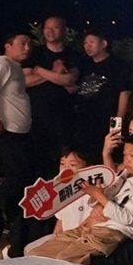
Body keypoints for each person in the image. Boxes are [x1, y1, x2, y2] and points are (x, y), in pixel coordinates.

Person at [25, 128, 133, 264]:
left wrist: (100, 197)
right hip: (92, 226)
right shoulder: (124, 174)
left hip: (113, 230)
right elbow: (101, 199)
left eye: (132, 156)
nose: (127, 160)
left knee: (66, 258)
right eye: (125, 155)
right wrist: (97, 198)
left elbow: (127, 218)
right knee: (37, 253)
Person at [0, 30, 35, 253]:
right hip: (6, 131)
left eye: (29, 44)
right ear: (8, 45)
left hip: (20, 132)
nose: (27, 47)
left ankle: (12, 224)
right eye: (22, 43)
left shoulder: (15, 67)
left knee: (22, 179)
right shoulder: (1, 64)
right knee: (17, 178)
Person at [23, 14, 80, 178]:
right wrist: (55, 74)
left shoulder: (72, 54)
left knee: (63, 158)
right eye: (47, 28)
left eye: (54, 28)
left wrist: (39, 70)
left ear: (64, 30)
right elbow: (25, 81)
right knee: (39, 159)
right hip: (37, 116)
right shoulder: (35, 53)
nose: (50, 31)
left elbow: (70, 80)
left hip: (64, 116)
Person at [69, 27, 133, 154]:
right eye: (85, 43)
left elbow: (124, 93)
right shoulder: (84, 64)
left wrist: (117, 123)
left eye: (92, 42)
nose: (87, 46)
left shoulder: (118, 65)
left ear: (104, 43)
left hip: (105, 120)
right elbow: (74, 85)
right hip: (84, 120)